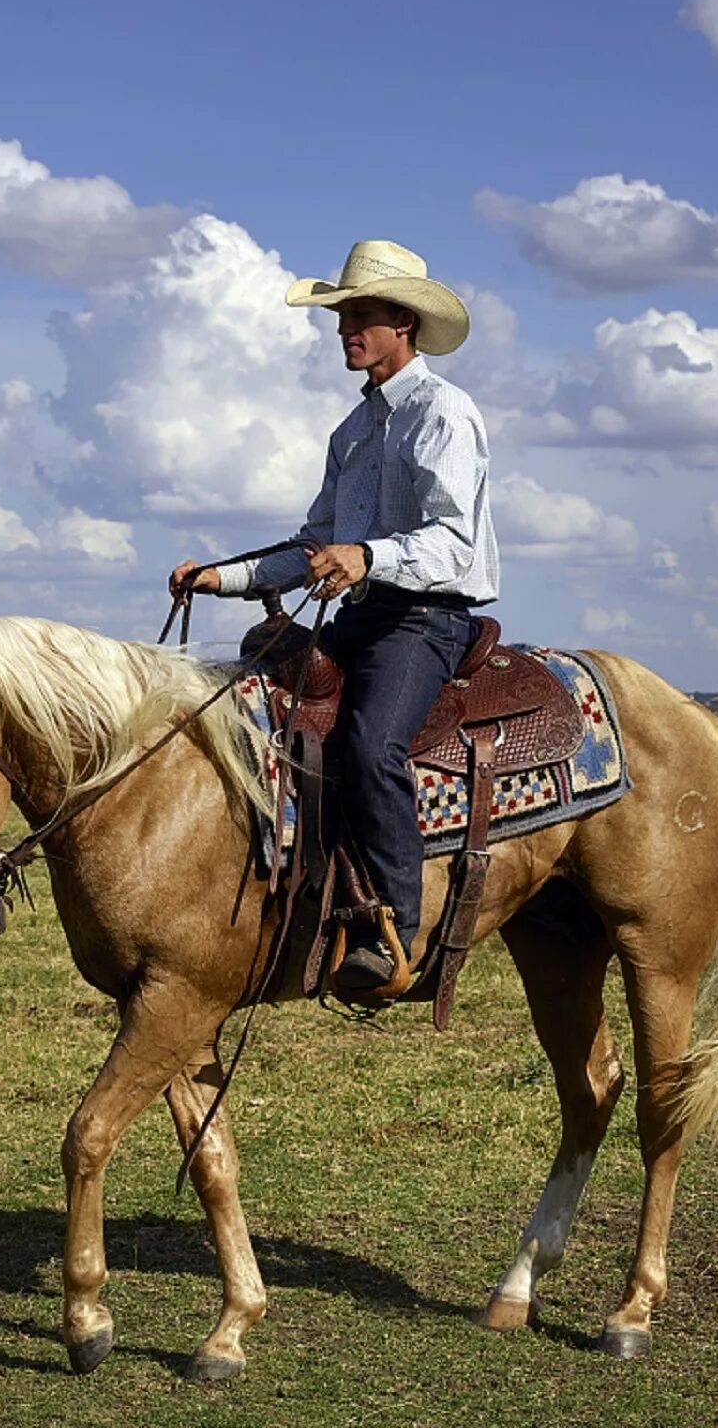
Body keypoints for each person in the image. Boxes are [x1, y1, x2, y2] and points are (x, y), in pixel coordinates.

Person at [169, 239, 499, 990]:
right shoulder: (351, 433)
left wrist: (368, 558)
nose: (346, 328)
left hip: (425, 619)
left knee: (372, 744)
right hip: (361, 612)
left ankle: (392, 930)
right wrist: (220, 577)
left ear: (404, 324)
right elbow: (313, 545)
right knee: (252, 714)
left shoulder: (444, 414)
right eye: (342, 315)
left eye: (362, 315)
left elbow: (452, 543)